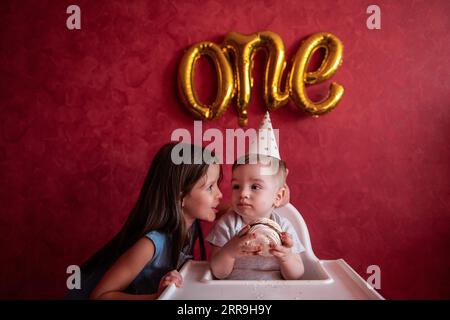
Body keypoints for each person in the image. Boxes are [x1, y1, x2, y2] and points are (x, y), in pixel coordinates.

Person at [66, 142, 223, 299]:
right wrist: (157, 297)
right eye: (210, 187)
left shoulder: (190, 222)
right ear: (180, 196)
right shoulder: (150, 245)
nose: (220, 194)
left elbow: (228, 210)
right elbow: (100, 296)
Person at [206, 112, 305, 281]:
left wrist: (286, 257)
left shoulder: (283, 228)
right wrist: (230, 250)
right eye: (236, 186)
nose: (243, 193)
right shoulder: (229, 225)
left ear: (278, 196)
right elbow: (218, 273)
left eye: (255, 187)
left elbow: (296, 275)